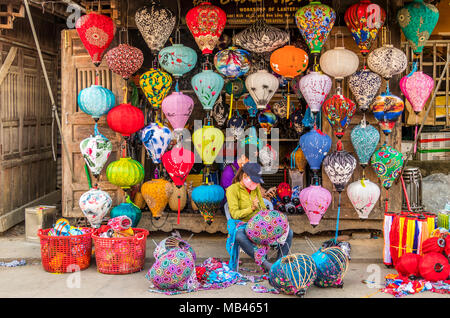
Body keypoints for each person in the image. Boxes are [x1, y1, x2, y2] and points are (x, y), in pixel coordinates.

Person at [226, 162, 293, 272]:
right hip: (243, 224)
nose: (256, 184)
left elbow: (262, 207)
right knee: (239, 236)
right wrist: (251, 209)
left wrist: (270, 217)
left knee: (288, 232)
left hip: (260, 223)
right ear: (244, 177)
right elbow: (234, 214)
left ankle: (278, 266)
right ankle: (266, 265)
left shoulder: (255, 188)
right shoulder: (232, 190)